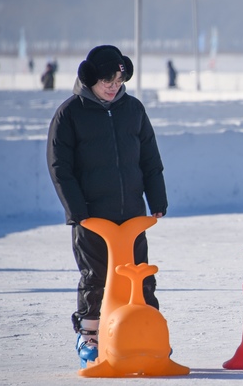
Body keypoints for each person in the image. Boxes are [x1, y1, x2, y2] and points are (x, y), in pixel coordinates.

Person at [46, 45, 168, 368]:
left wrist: (157, 200)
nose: (113, 86)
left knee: (138, 274)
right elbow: (61, 168)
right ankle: (91, 335)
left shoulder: (134, 110)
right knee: (96, 276)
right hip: (91, 217)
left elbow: (150, 160)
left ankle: (146, 331)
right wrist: (77, 211)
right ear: (90, 79)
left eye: (118, 78)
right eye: (106, 80)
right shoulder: (70, 114)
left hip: (131, 215)